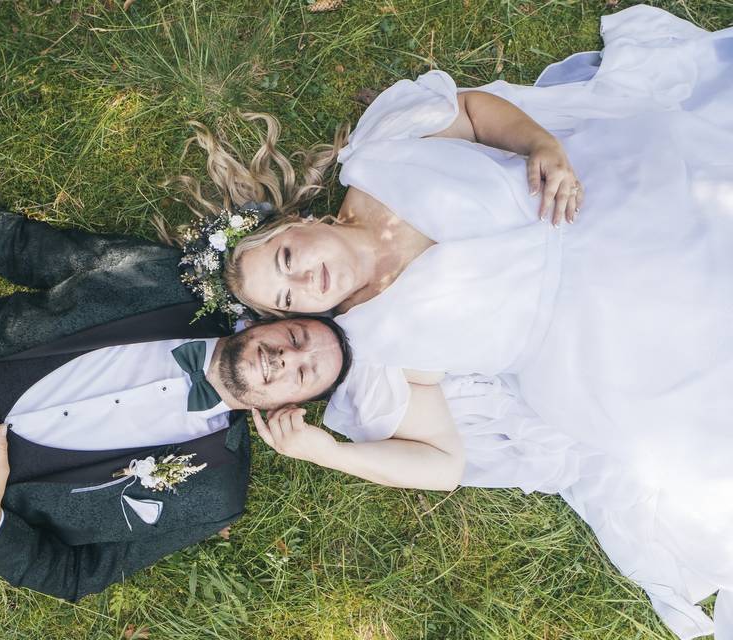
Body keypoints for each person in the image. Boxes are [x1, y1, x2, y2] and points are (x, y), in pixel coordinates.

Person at [163, 5, 733, 638]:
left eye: (288, 259)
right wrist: (328, 452)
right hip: (600, 346)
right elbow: (441, 465)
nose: (305, 282)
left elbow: (470, 111)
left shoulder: (378, 158)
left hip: (605, 208)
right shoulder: (375, 342)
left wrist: (541, 144)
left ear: (301, 224)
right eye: (290, 300)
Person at [0, 187, 353, 600]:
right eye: (298, 337)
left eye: (305, 374)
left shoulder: (213, 493)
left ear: (288, 406)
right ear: (269, 318)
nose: (287, 358)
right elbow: (18, 245)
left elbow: (77, 576)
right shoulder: (158, 282)